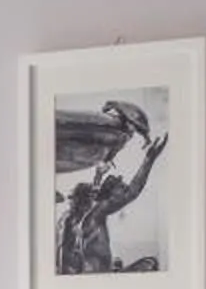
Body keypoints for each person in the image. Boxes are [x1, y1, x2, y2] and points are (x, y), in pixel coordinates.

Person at [54, 98, 171, 274]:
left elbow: (93, 195)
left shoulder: (71, 218)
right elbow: (133, 192)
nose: (122, 194)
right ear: (108, 198)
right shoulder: (94, 216)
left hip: (79, 276)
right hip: (96, 278)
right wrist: (149, 159)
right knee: (149, 263)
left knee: (145, 263)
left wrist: (98, 176)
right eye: (119, 191)